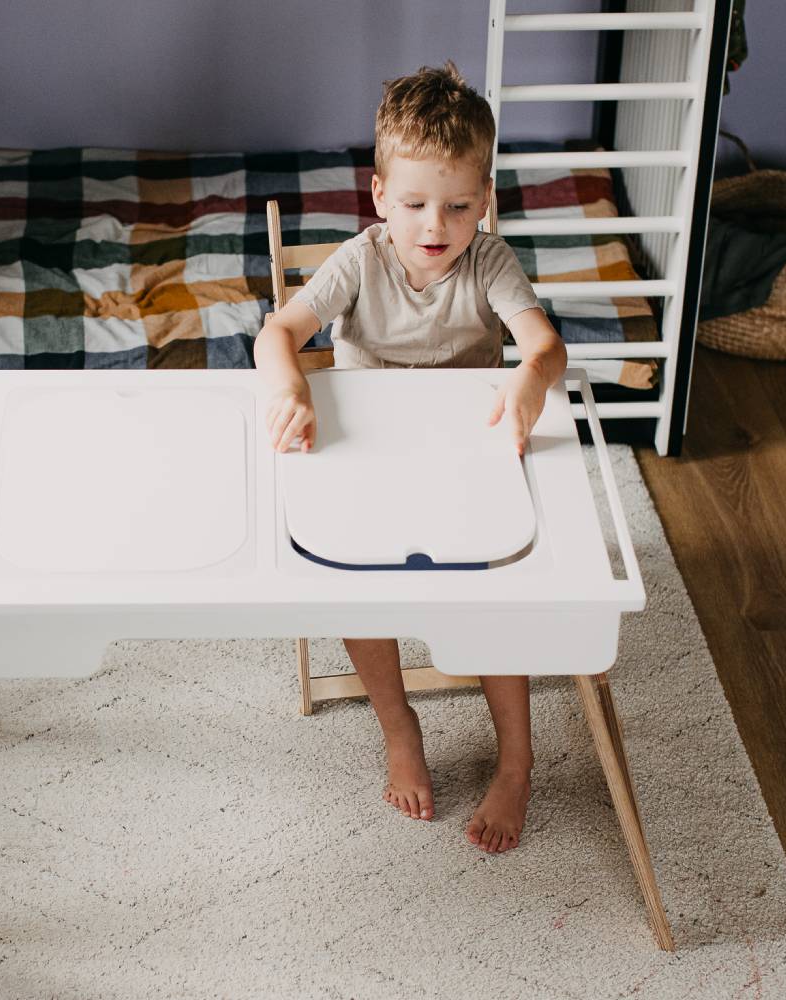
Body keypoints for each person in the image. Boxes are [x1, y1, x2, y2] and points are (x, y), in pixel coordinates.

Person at [253, 61, 567, 854]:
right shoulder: (361, 261)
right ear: (379, 195)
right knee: (356, 592)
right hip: (372, 463)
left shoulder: (489, 262)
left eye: (459, 206)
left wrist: (531, 377)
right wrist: (292, 388)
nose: (436, 226)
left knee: (494, 602)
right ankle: (399, 727)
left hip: (465, 461)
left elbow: (546, 346)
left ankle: (517, 764)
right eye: (416, 204)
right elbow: (277, 333)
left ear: (484, 200)